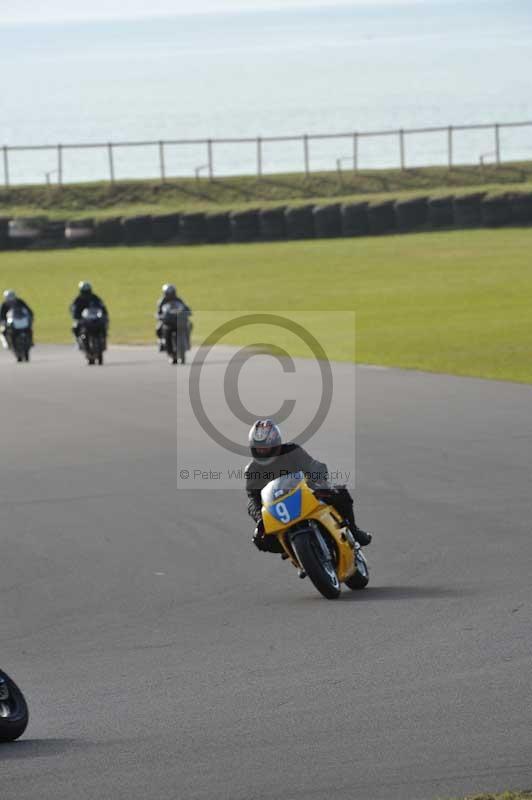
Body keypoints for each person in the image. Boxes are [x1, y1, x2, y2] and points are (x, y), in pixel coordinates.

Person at [245, 419, 372, 553]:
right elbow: (253, 499)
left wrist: (319, 479)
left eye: (265, 447)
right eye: (258, 448)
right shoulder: (253, 470)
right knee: (260, 539)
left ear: (276, 443)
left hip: (306, 493)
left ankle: (353, 530)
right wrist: (260, 518)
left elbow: (312, 465)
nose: (262, 451)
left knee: (339, 492)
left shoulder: (292, 451)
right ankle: (292, 551)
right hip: (279, 510)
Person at [70, 281, 108, 347]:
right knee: (75, 327)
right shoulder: (78, 299)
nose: (86, 293)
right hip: (83, 318)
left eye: (87, 291)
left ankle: (103, 339)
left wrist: (104, 314)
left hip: (94, 317)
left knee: (103, 324)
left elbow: (101, 306)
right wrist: (76, 315)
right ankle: (78, 341)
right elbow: (73, 308)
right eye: (85, 291)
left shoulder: (94, 297)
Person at [155, 284, 192, 352]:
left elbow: (186, 308)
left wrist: (188, 312)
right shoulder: (162, 301)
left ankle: (187, 340)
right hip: (167, 320)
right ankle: (161, 342)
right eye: (168, 293)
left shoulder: (179, 300)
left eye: (172, 293)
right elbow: (159, 311)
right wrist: (159, 316)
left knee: (189, 324)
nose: (170, 295)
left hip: (177, 320)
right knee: (158, 328)